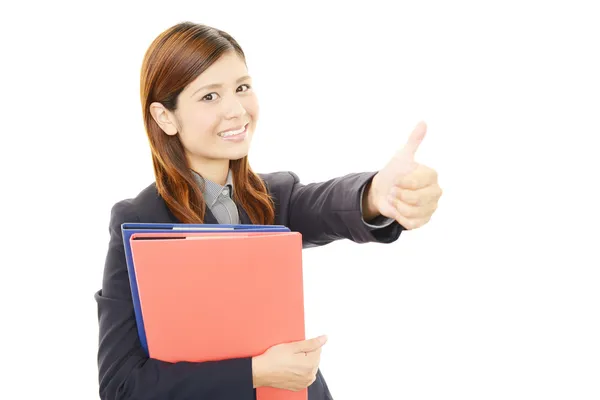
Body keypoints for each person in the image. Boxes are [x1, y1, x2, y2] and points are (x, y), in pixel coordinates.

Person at [94, 21, 442, 400]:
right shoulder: (140, 221)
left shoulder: (273, 198)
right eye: (209, 96)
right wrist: (255, 372)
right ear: (165, 117)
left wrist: (376, 195)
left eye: (241, 88)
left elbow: (328, 204)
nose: (236, 110)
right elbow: (123, 386)